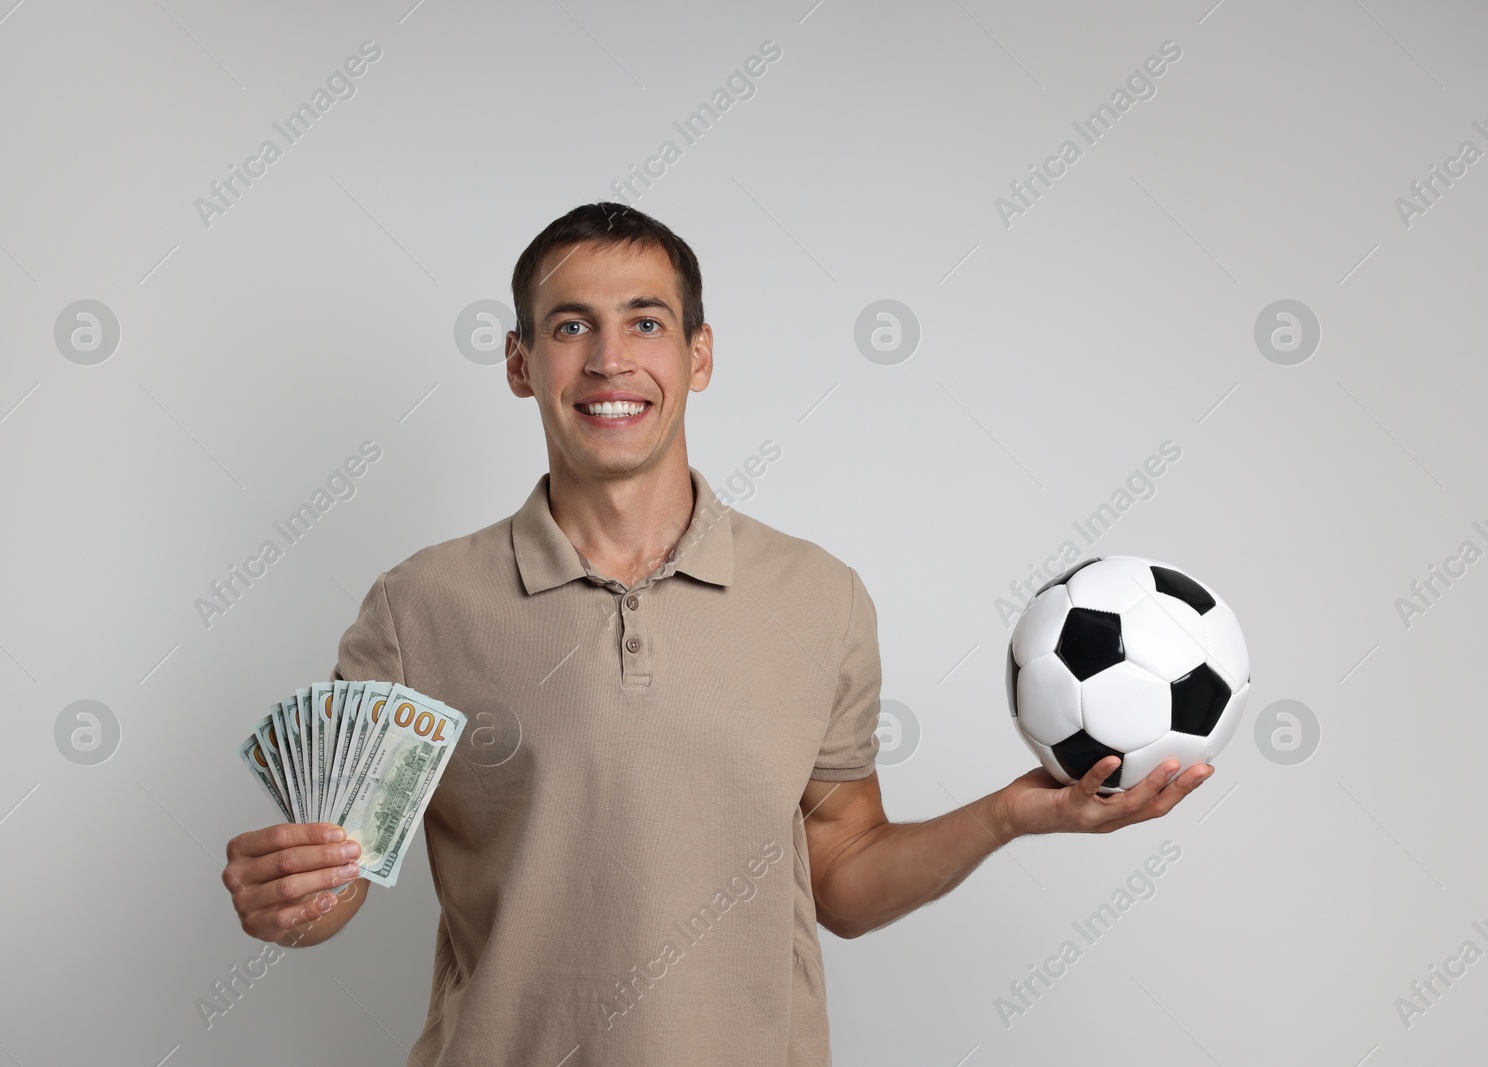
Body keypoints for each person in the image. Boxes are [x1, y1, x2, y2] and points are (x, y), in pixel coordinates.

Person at [222, 202, 1212, 1065]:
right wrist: (294, 901)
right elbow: (336, 875)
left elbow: (843, 872)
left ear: (697, 353)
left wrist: (1008, 813)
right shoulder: (419, 605)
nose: (610, 360)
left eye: (644, 323)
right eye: (572, 327)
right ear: (522, 365)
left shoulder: (818, 597)